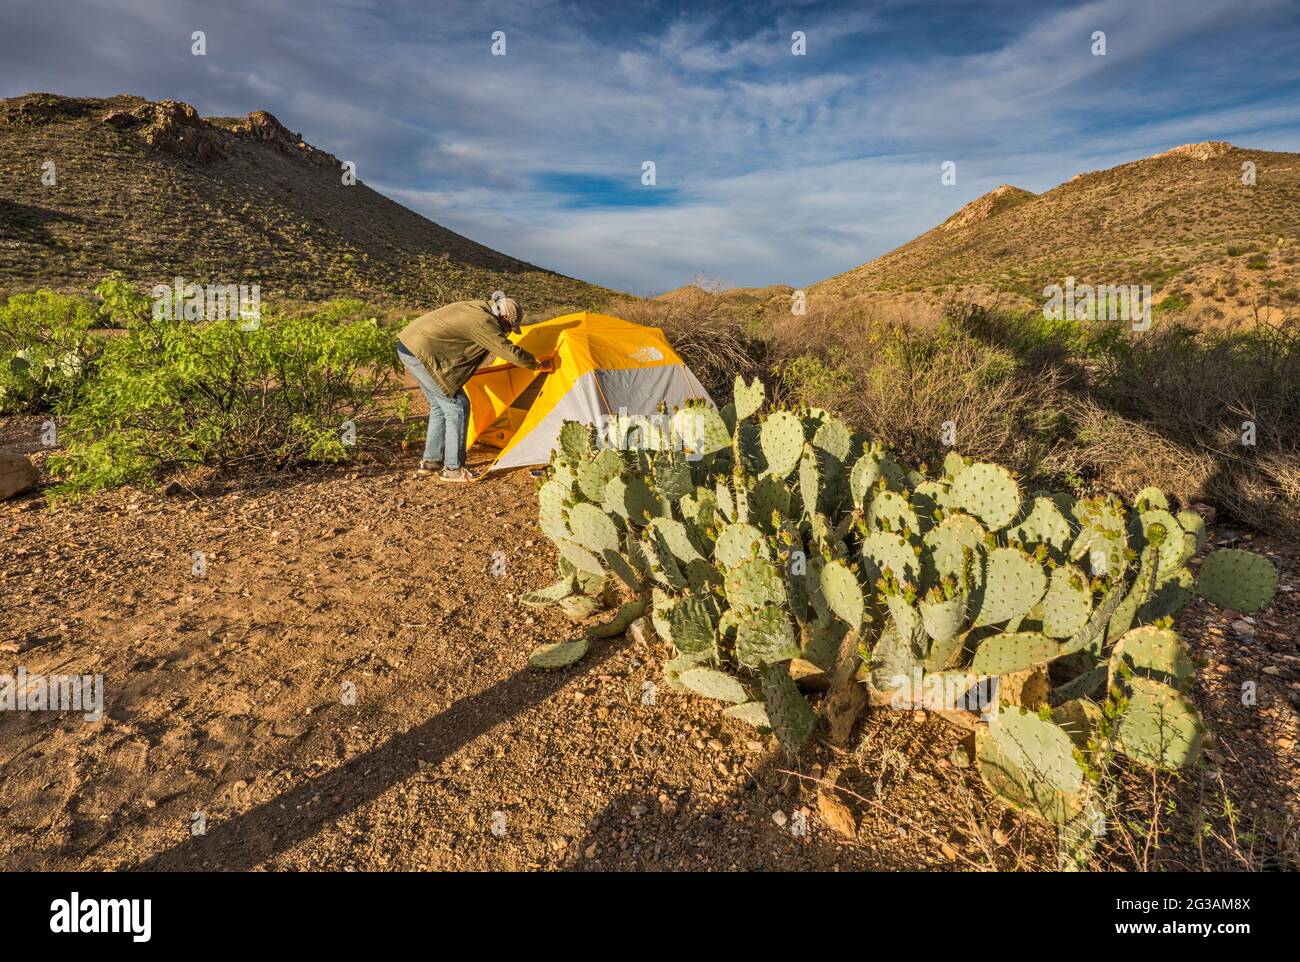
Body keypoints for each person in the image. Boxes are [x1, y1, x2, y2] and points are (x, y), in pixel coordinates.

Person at [396, 292, 552, 482]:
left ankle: (432, 462)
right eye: (508, 326)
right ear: (503, 317)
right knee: (458, 406)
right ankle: (453, 469)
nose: (508, 331)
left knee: (440, 406)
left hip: (409, 346)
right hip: (420, 352)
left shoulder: (480, 308)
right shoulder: (484, 322)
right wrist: (537, 364)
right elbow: (507, 350)